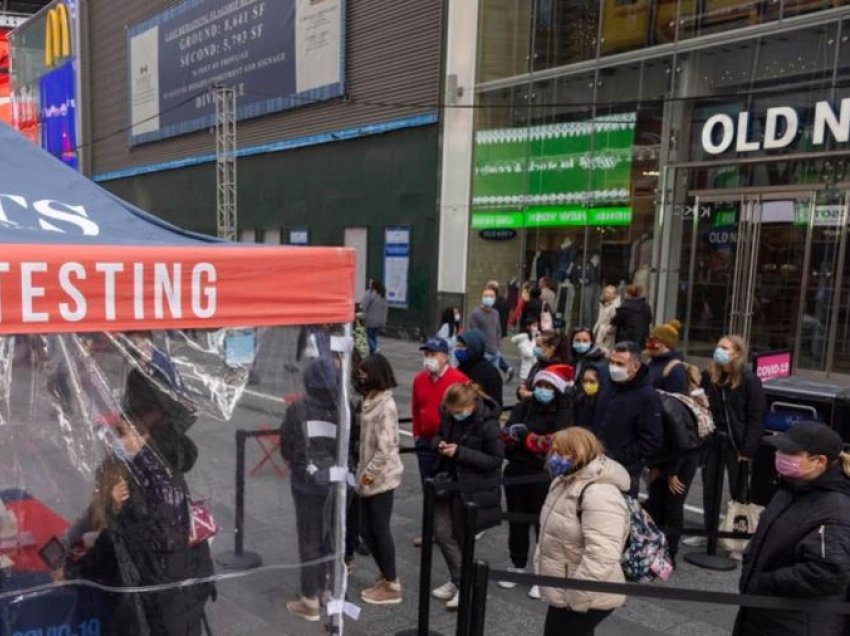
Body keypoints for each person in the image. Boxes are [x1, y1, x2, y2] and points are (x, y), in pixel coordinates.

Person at [69, 414, 213, 635]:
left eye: (121, 433)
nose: (115, 440)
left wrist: (114, 510)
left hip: (157, 600)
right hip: (187, 590)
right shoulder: (163, 469)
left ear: (142, 435)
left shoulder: (138, 481)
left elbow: (120, 542)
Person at [734, 421, 850, 636]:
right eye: (780, 449)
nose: (779, 455)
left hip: (795, 623)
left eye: (790, 452)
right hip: (765, 614)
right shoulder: (792, 487)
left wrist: (765, 582)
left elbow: (828, 573)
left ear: (819, 461)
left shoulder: (836, 510)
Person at [536, 427, 630, 636]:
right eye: (555, 452)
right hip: (564, 582)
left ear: (579, 453)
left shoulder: (599, 493)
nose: (556, 458)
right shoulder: (565, 480)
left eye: (563, 453)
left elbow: (602, 554)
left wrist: (577, 595)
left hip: (586, 591)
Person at [499, 365, 574, 599]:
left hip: (544, 475)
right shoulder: (522, 407)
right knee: (516, 520)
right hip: (516, 471)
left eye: (548, 386)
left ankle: (543, 573)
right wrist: (513, 436)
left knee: (544, 525)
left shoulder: (564, 411)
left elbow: (556, 443)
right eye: (539, 385)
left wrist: (528, 439)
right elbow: (506, 433)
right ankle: (517, 564)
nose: (542, 390)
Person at [430, 382, 503, 610]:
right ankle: (458, 579)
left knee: (462, 536)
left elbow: (495, 460)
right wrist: (438, 444)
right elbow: (437, 435)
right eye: (451, 412)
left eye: (459, 412)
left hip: (472, 488)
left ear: (472, 405)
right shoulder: (449, 415)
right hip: (448, 483)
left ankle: (464, 585)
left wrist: (460, 452)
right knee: (442, 532)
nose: (455, 416)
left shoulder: (488, 425)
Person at [280, 358, 340, 622]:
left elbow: (287, 445)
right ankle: (328, 589)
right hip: (336, 482)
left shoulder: (298, 409)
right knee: (331, 536)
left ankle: (309, 598)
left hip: (307, 483)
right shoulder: (342, 408)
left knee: (309, 538)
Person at [700, 335, 766, 538]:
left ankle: (738, 534)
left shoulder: (749, 380)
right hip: (713, 440)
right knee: (710, 488)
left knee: (739, 491)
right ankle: (709, 533)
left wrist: (747, 450)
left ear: (737, 353)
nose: (719, 350)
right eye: (718, 346)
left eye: (725, 347)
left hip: (737, 443)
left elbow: (756, 418)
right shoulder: (709, 376)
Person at [643, 320, 698, 563]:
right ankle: (654, 547)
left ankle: (670, 553)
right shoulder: (653, 365)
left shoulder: (673, 370)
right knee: (656, 500)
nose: (649, 343)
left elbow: (677, 421)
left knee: (673, 503)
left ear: (664, 344)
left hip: (680, 451)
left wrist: (672, 470)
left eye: (653, 340)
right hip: (662, 449)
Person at [354, 354, 404, 606]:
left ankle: (392, 582)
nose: (360, 376)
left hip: (380, 479)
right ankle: (385, 574)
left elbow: (385, 449)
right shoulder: (369, 398)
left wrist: (366, 475)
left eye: (364, 372)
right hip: (367, 478)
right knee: (366, 528)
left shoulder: (386, 405)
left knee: (379, 529)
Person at [411, 337, 468, 546]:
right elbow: (417, 409)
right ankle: (430, 531)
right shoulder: (419, 379)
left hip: (449, 444)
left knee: (449, 488)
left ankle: (451, 529)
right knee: (428, 488)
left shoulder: (459, 379)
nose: (428, 359)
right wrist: (417, 434)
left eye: (433, 354)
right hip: (425, 441)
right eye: (426, 354)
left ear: (445, 357)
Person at [597, 341, 664, 496]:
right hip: (597, 463)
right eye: (612, 362)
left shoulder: (647, 396)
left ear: (635, 366)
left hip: (623, 471)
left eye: (620, 364)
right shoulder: (608, 384)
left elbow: (652, 440)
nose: (614, 367)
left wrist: (618, 456)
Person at [470, 285, 514, 383]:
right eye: (486, 296)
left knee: (492, 379)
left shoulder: (495, 313)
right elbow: (473, 333)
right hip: (483, 353)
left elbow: (498, 330)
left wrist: (498, 347)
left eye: (491, 296)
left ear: (495, 299)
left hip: (495, 352)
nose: (488, 298)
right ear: (482, 297)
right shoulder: (476, 314)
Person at [455, 329, 503, 408]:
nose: (458, 349)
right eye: (458, 346)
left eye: (462, 346)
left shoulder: (490, 373)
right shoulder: (460, 368)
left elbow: (496, 404)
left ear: (474, 347)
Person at [520, 330, 572, 400]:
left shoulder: (560, 369)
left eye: (539, 346)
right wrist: (521, 390)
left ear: (551, 347)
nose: (535, 349)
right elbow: (529, 384)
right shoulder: (539, 364)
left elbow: (557, 396)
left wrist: (532, 395)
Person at [610, 284, 652, 348]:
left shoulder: (625, 306)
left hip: (626, 337)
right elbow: (649, 319)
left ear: (628, 294)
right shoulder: (645, 306)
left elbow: (616, 320)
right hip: (642, 337)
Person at [570, 326, 609, 392]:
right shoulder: (573, 358)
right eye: (577, 340)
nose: (581, 343)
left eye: (585, 341)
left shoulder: (599, 360)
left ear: (591, 342)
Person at [360, 280, 389, 354]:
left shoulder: (370, 294)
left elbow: (364, 305)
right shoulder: (382, 295)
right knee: (374, 336)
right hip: (380, 321)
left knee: (367, 336)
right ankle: (373, 351)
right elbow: (385, 309)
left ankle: (375, 348)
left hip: (371, 320)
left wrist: (363, 317)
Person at [574, 366, 605, 431]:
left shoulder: (604, 403)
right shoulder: (580, 400)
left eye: (592, 381)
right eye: (585, 381)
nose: (587, 385)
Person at [593, 285, 621, 352]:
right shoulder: (602, 305)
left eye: (611, 293)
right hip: (600, 331)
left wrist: (608, 331)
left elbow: (614, 321)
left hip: (608, 334)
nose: (609, 295)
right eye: (607, 292)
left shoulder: (615, 306)